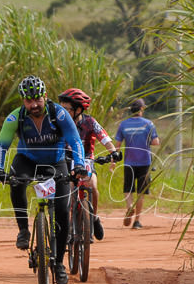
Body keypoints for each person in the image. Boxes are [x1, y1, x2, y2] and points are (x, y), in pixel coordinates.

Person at [0, 75, 89, 284]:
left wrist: (79, 165)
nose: (34, 105)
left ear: (45, 96)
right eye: (29, 100)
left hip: (56, 162)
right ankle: (24, 231)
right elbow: (1, 145)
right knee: (16, 183)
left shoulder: (60, 115)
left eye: (38, 99)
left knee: (63, 211)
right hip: (27, 160)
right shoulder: (15, 118)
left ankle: (60, 264)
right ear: (23, 100)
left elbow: (75, 141)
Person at [56, 88, 121, 241]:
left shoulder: (89, 122)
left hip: (86, 159)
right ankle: (68, 225)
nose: (63, 112)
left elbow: (103, 137)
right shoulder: (59, 122)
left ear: (78, 110)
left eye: (67, 109)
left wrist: (113, 152)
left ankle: (93, 218)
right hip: (65, 159)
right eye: (61, 108)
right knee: (68, 189)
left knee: (92, 184)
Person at [115, 98, 160, 229]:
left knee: (128, 188)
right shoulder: (149, 124)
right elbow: (156, 142)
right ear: (141, 109)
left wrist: (113, 161)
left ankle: (129, 207)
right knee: (141, 192)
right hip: (145, 161)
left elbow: (117, 146)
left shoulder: (123, 125)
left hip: (129, 161)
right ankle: (137, 221)